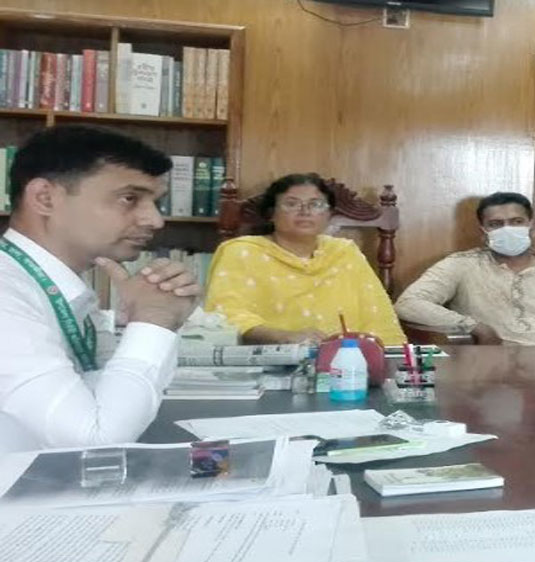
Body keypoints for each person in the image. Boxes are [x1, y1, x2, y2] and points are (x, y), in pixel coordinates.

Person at [0, 125, 200, 454]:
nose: (155, 220)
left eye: (155, 202)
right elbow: (94, 439)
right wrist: (154, 319)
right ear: (45, 198)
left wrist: (153, 321)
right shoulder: (7, 292)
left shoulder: (59, 286)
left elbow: (109, 397)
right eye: (129, 198)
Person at [204, 173, 406, 345]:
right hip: (265, 362)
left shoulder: (345, 252)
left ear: (329, 215)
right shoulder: (241, 252)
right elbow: (226, 314)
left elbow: (379, 318)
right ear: (271, 214)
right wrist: (281, 336)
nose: (305, 211)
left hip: (347, 365)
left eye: (316, 204)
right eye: (291, 204)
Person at [394, 192, 535, 358]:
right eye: (496, 224)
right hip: (491, 370)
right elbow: (408, 304)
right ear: (483, 230)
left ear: (531, 226)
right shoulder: (461, 265)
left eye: (517, 221)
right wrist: (473, 326)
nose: (507, 229)